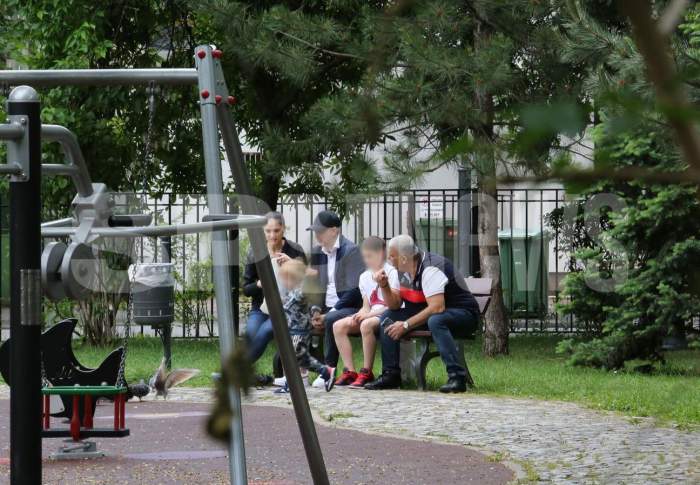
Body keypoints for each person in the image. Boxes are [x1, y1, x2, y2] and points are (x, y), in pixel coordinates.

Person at [365, 234, 480, 393]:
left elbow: (437, 307)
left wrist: (405, 325)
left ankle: (457, 377)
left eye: (392, 256)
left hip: (463, 314)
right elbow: (395, 304)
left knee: (436, 320)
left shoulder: (431, 268)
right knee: (388, 317)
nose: (389, 260)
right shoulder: (401, 270)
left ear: (404, 258)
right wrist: (384, 285)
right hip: (433, 312)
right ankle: (391, 375)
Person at [332, 236, 400, 388]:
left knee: (366, 325)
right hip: (372, 313)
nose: (366, 260)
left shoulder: (392, 273)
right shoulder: (364, 277)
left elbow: (390, 305)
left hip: (386, 314)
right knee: (338, 326)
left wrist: (367, 315)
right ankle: (350, 371)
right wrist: (360, 314)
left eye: (370, 256)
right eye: (364, 257)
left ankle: (366, 371)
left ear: (382, 253)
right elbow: (367, 305)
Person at [306, 210, 364, 387]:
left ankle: (328, 370)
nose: (317, 235)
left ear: (334, 230)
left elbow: (354, 291)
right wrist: (315, 311)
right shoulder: (317, 252)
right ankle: (291, 372)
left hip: (349, 307)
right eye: (315, 231)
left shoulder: (351, 251)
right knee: (293, 318)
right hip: (324, 306)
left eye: (320, 231)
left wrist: (330, 311)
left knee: (331, 318)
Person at [243, 211, 306, 365]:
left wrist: (292, 264)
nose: (272, 235)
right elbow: (246, 289)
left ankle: (236, 371)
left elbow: (306, 282)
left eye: (276, 230)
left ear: (283, 229)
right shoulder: (255, 252)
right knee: (251, 333)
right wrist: (259, 284)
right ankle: (245, 374)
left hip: (286, 308)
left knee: (264, 331)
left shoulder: (295, 250)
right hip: (260, 308)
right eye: (268, 231)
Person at [276, 258, 335, 393]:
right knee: (301, 358)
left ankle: (295, 382)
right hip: (293, 330)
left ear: (294, 278)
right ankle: (325, 371)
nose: (284, 282)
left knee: (295, 357)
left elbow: (305, 302)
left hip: (299, 331)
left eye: (285, 278)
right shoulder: (293, 291)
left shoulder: (299, 292)